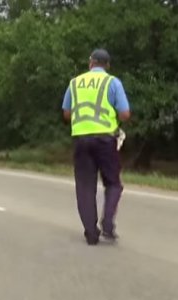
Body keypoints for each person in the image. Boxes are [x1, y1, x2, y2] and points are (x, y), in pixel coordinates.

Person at [62, 49, 131, 245]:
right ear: (107, 65)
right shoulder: (112, 82)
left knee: (85, 186)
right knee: (113, 183)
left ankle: (91, 233)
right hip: (105, 140)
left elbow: (66, 114)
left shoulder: (74, 83)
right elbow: (125, 114)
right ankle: (108, 222)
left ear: (90, 62)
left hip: (81, 139)